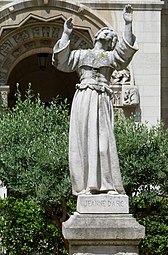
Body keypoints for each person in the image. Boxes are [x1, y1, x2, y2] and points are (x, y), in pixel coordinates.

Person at [52, 5, 138, 196]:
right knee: (84, 140)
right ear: (97, 36)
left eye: (110, 34)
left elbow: (124, 55)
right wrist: (66, 34)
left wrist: (127, 24)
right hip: (84, 98)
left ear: (111, 42)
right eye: (105, 31)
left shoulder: (110, 56)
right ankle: (86, 185)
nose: (107, 33)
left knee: (104, 143)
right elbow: (62, 62)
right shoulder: (81, 54)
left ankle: (108, 184)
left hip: (102, 99)